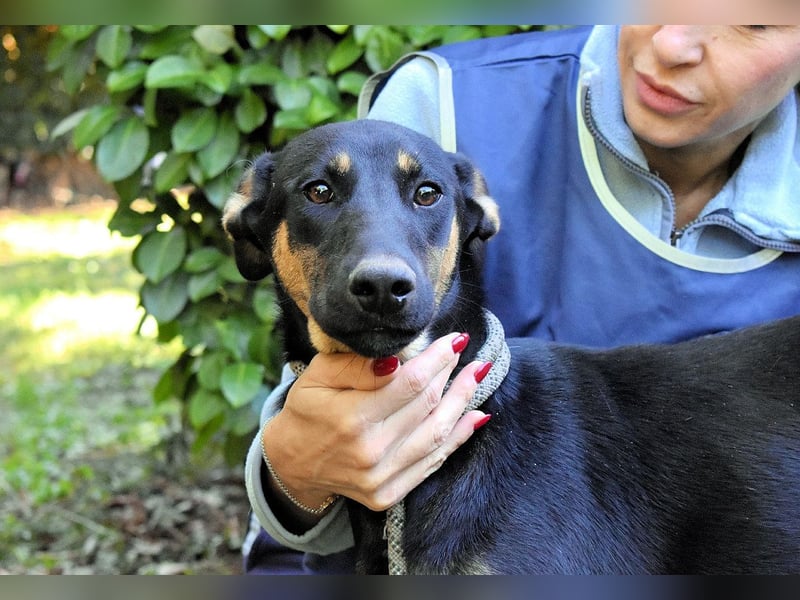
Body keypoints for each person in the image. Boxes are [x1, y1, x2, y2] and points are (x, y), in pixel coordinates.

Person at [241, 25, 800, 574]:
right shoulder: (453, 102)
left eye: (754, 21)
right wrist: (289, 473)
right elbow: (318, 422)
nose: (675, 42)